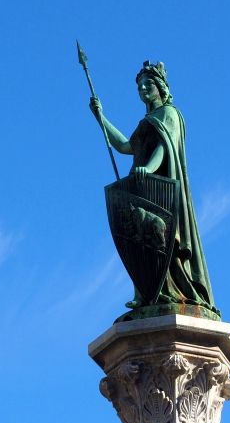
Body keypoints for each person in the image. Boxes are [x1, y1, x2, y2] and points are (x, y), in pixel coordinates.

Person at [90, 61, 217, 314]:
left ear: (161, 87)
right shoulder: (146, 121)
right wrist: (100, 117)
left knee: (165, 241)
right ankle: (148, 292)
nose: (143, 89)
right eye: (139, 86)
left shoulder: (169, 114)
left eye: (148, 84)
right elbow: (125, 147)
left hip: (159, 189)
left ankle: (174, 291)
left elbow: (164, 146)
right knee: (143, 241)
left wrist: (148, 168)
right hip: (143, 187)